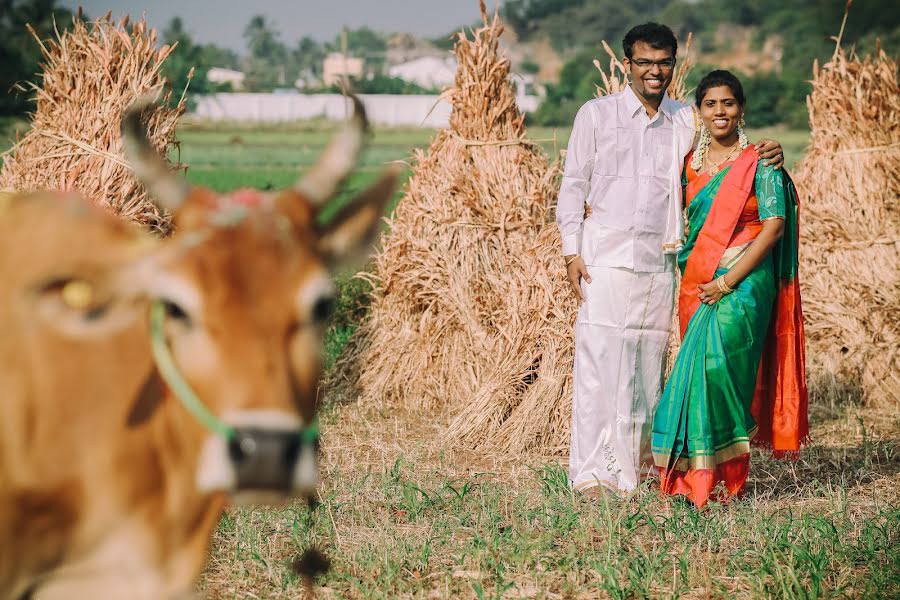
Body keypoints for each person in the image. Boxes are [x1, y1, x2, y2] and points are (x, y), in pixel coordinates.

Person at [556, 23, 785, 496]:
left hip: (663, 263)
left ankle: (636, 468)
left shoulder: (684, 120)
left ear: (673, 67)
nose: (654, 71)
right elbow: (573, 185)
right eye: (644, 62)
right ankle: (591, 473)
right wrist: (571, 251)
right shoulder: (596, 115)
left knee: (645, 367)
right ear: (628, 66)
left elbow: (727, 152)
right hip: (605, 259)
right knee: (600, 361)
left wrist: (770, 149)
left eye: (663, 63)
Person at [650, 70, 808, 508]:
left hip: (742, 284)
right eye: (711, 104)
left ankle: (724, 483)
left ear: (742, 109)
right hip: (698, 282)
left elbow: (774, 227)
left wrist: (726, 280)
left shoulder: (762, 161)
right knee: (694, 373)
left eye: (729, 103)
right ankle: (690, 480)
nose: (720, 112)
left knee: (720, 371)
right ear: (699, 112)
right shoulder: (688, 165)